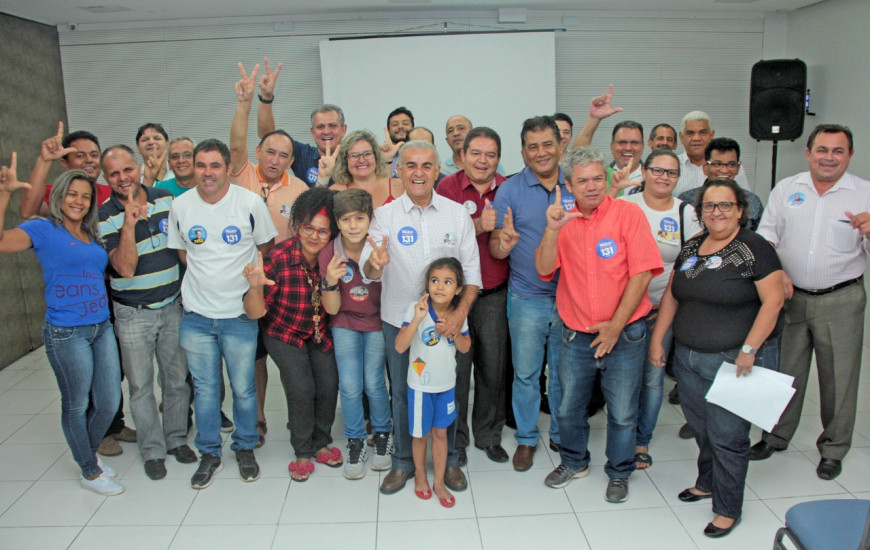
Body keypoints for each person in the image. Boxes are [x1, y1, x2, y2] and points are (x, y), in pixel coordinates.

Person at [649, 179, 784, 538]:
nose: (717, 212)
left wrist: (749, 349)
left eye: (725, 205)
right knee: (704, 430)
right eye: (710, 206)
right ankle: (706, 482)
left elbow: (773, 302)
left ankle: (727, 508)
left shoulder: (755, 248)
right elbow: (674, 297)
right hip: (689, 360)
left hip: (733, 362)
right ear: (701, 211)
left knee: (728, 436)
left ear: (741, 210)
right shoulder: (693, 245)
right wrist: (658, 339)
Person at [536, 147, 662, 503]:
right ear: (570, 185)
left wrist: (615, 326)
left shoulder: (628, 214)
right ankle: (574, 462)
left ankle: (619, 471)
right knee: (568, 407)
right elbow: (545, 268)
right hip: (576, 334)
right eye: (582, 181)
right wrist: (551, 230)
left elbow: (641, 274)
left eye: (597, 178)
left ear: (606, 180)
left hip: (625, 334)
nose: (591, 187)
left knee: (622, 411)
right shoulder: (564, 221)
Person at [749, 124, 870, 481]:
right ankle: (775, 436)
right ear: (808, 152)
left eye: (837, 151)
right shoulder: (787, 189)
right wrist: (777, 274)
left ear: (849, 155)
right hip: (790, 298)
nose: (828, 157)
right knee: (784, 372)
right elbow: (765, 240)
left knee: (839, 379)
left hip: (842, 298)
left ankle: (833, 448)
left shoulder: (864, 194)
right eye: (822, 149)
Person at [361, 140, 481, 496]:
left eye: (426, 165)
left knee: (452, 388)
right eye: (410, 165)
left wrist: (459, 315)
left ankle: (452, 459)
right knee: (403, 392)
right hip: (401, 321)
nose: (418, 172)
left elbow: (472, 274)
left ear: (436, 170)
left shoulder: (456, 213)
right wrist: (374, 263)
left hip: (448, 323)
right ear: (398, 169)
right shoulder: (385, 215)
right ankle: (403, 464)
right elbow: (369, 269)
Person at [0, 161, 124, 496]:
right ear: (59, 196)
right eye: (72, 194)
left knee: (109, 401)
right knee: (76, 403)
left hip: (101, 327)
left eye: (85, 196)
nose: (79, 201)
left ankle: (89, 455)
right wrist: (4, 193)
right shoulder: (43, 228)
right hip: (66, 332)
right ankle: (89, 469)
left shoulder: (90, 233)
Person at [167, 138, 277, 489]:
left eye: (215, 165)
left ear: (229, 167)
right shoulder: (181, 206)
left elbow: (265, 246)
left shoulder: (248, 203)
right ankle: (210, 453)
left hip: (239, 316)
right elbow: (185, 253)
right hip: (197, 317)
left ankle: (245, 447)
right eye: (201, 165)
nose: (208, 172)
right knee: (205, 389)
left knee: (244, 389)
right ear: (193, 168)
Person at [97, 145, 195, 480]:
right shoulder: (102, 216)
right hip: (132, 314)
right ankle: (152, 450)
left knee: (176, 380)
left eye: (127, 170)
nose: (122, 178)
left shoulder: (167, 199)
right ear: (105, 177)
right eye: (113, 174)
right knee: (140, 386)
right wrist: (128, 223)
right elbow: (123, 268)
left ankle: (177, 439)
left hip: (172, 306)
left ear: (138, 168)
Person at [231, 61, 311, 445]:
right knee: (254, 357)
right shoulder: (242, 174)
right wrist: (247, 102)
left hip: (284, 285)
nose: (275, 159)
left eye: (283, 155)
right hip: (245, 282)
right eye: (269, 152)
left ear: (291, 161)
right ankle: (258, 418)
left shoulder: (298, 189)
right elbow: (234, 145)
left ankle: (299, 419)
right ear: (258, 153)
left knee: (290, 356)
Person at [243, 187, 342, 482]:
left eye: (323, 232)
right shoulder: (278, 257)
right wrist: (256, 286)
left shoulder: (331, 259)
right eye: (308, 228)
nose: (314, 236)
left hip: (317, 331)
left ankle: (320, 440)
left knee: (328, 384)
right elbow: (254, 313)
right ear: (298, 225)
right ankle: (302, 448)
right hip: (282, 331)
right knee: (301, 388)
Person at [490, 116, 570, 471]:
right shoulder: (508, 190)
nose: (541, 152)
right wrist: (503, 244)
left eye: (547, 144)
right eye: (532, 146)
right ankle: (526, 438)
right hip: (527, 298)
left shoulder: (577, 185)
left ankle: (562, 433)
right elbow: (495, 247)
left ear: (559, 146)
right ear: (523, 152)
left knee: (565, 373)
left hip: (572, 298)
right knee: (526, 374)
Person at [621, 150, 701, 470]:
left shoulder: (687, 213)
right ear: (643, 171)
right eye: (657, 170)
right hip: (626, 310)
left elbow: (691, 262)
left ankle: (642, 441)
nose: (664, 177)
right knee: (625, 379)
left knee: (653, 379)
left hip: (663, 309)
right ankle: (622, 437)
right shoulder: (627, 205)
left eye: (671, 172)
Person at [436, 126, 510, 464]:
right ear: (462, 155)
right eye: (476, 153)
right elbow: (440, 241)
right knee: (457, 370)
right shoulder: (446, 188)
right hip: (455, 297)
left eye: (490, 154)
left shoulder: (508, 189)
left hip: (494, 294)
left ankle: (488, 435)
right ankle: (457, 439)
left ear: (498, 158)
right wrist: (479, 225)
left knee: (492, 369)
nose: (483, 161)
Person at [319, 188, 393, 479]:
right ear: (337, 222)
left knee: (375, 382)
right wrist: (330, 281)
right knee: (350, 385)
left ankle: (383, 435)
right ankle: (355, 439)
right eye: (346, 219)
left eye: (359, 218)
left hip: (376, 321)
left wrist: (376, 264)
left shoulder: (378, 246)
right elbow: (332, 308)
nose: (353, 225)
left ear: (370, 219)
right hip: (345, 323)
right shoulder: (330, 252)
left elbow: (379, 276)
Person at [395, 257, 471, 508]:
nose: (440, 286)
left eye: (448, 282)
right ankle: (420, 475)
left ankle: (439, 481)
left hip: (446, 386)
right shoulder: (416, 309)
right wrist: (417, 318)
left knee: (441, 433)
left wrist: (453, 330)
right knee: (421, 435)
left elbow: (465, 347)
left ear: (458, 288)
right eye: (435, 280)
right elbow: (399, 346)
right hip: (420, 386)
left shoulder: (458, 316)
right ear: (427, 284)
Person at [256, 60, 347, 186]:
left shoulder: (355, 157)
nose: (326, 131)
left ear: (344, 129)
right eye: (320, 127)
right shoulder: (302, 154)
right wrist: (266, 97)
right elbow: (268, 136)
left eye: (332, 126)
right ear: (312, 132)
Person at [678, 138, 765, 231]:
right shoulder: (687, 200)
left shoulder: (752, 201)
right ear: (705, 167)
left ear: (738, 167)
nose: (724, 170)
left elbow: (760, 239)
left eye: (731, 164)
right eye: (717, 164)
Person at [674, 111, 749, 196]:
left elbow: (747, 198)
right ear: (681, 137)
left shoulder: (731, 167)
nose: (697, 138)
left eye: (703, 132)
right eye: (690, 133)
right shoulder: (671, 166)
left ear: (712, 135)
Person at [330, 130, 404, 208]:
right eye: (354, 155)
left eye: (367, 154)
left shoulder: (399, 186)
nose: (362, 160)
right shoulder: (335, 192)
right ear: (345, 160)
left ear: (376, 156)